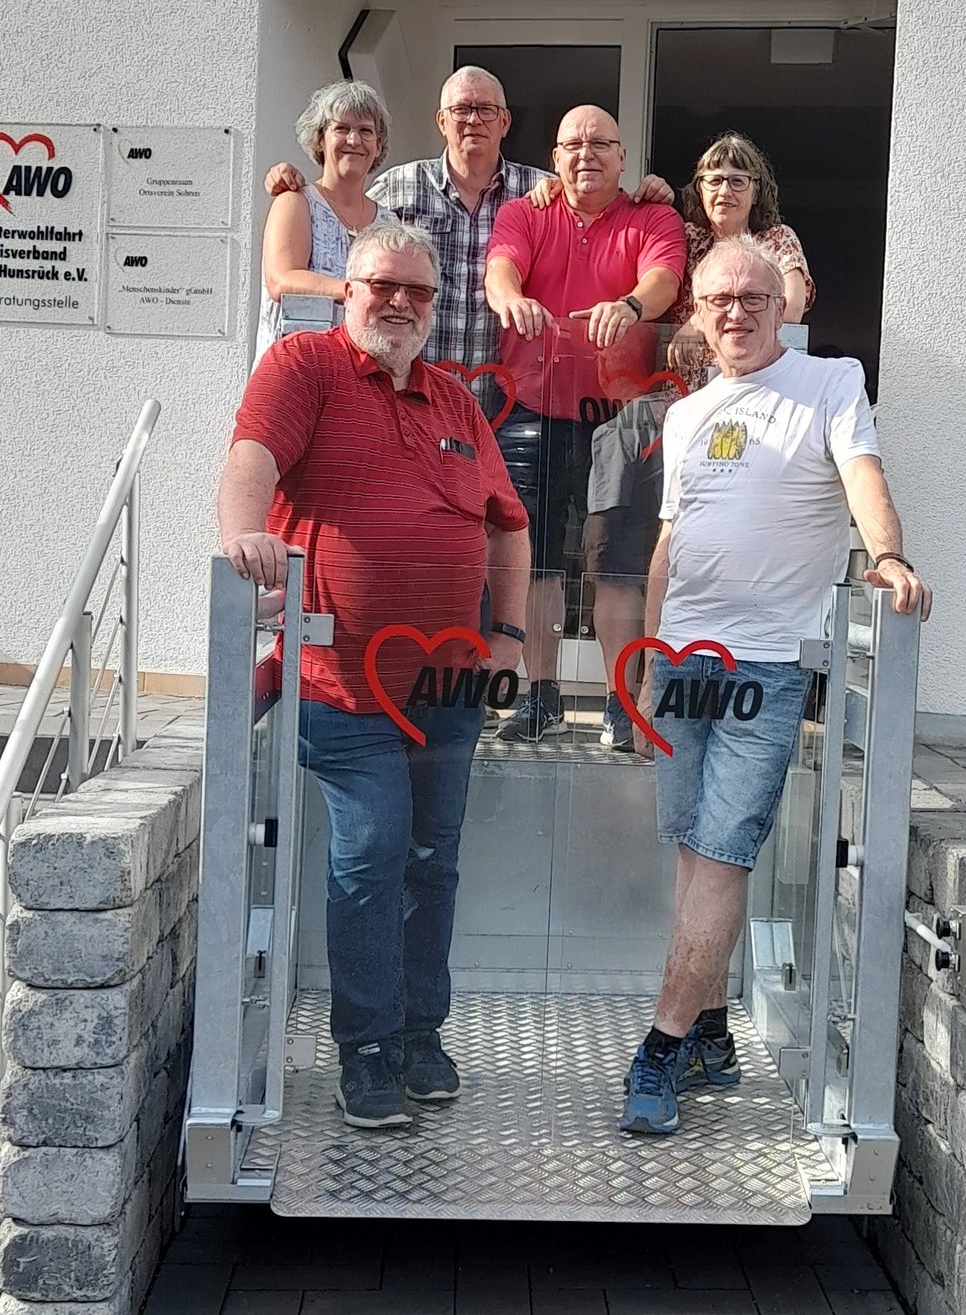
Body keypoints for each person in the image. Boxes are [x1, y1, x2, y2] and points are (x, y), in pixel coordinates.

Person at [220, 220, 531, 1130]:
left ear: (436, 306)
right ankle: (363, 1049)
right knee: (374, 851)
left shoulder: (455, 401)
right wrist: (243, 537)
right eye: (381, 286)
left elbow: (508, 525)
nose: (398, 303)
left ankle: (419, 1032)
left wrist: (510, 634)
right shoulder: (304, 366)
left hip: (449, 688)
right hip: (339, 678)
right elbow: (251, 459)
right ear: (346, 290)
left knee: (435, 861)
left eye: (417, 291)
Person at [616, 236, 930, 1136]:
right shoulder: (688, 414)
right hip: (682, 662)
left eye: (754, 297)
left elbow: (864, 478)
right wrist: (648, 662)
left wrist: (887, 554)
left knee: (721, 851)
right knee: (694, 851)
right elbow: (670, 543)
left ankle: (662, 1045)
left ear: (782, 304)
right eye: (719, 299)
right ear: (697, 313)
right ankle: (714, 1032)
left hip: (767, 663)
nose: (737, 313)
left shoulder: (830, 383)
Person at [262, 68, 672, 412]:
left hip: (500, 396)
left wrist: (654, 190)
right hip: (408, 384)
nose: (473, 120)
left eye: (485, 110)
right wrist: (287, 178)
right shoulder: (396, 190)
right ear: (442, 121)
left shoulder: (538, 191)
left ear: (505, 122)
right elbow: (341, 212)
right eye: (461, 109)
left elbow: (593, 189)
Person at [483, 105, 687, 748]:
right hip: (531, 410)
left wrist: (630, 306)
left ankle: (622, 705)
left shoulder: (652, 216)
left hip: (620, 422)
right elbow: (500, 269)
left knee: (616, 567)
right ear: (555, 157)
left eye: (601, 143)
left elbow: (664, 278)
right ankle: (540, 697)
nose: (585, 154)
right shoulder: (526, 212)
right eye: (572, 144)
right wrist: (510, 300)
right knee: (535, 564)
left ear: (623, 156)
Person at [255, 80, 396, 356]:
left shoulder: (388, 224)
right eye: (341, 129)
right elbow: (281, 280)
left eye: (365, 131)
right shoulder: (296, 202)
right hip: (296, 368)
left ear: (378, 146)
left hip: (363, 372)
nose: (354, 140)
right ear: (320, 139)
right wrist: (354, 290)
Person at [667, 132, 813, 389]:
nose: (724, 191)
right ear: (700, 190)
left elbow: (790, 310)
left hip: (753, 385)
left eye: (737, 181)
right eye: (714, 181)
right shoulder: (686, 238)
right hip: (684, 391)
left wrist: (698, 322)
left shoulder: (777, 240)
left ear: (756, 192)